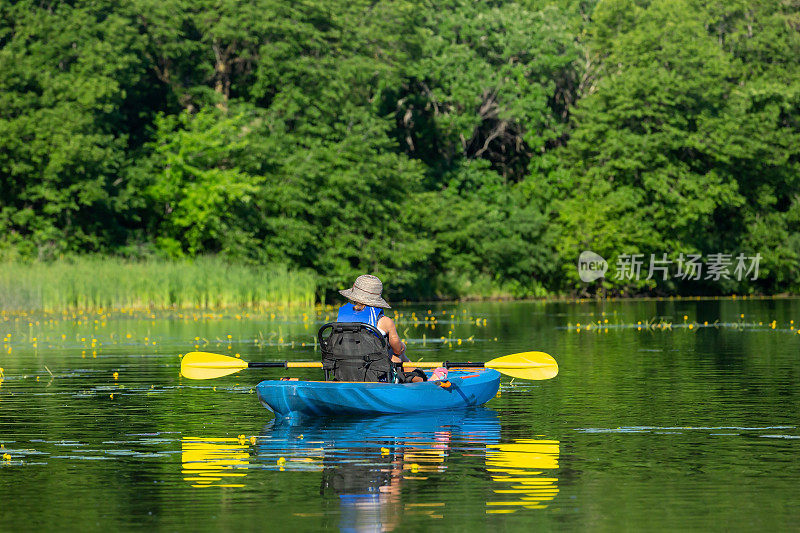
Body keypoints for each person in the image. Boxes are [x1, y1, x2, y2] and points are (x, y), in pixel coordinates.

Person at [337, 274, 425, 383]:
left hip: (345, 372)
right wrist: (403, 347)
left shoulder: (341, 317)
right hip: (374, 374)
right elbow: (398, 349)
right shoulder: (385, 321)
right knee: (398, 355)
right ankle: (423, 380)